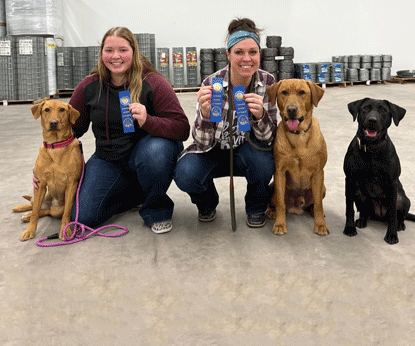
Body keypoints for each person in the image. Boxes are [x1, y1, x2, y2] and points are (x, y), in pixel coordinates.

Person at [67, 27, 190, 234]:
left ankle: (156, 208)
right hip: (108, 158)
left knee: (156, 152)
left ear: (133, 52)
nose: (115, 56)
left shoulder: (152, 82)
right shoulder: (89, 86)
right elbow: (71, 130)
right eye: (109, 50)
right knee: (82, 217)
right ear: (101, 54)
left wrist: (148, 120)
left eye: (122, 50)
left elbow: (182, 128)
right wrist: (46, 160)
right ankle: (136, 194)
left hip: (146, 155)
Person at [174, 18, 277, 228]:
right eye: (239, 52)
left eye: (253, 52)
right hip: (214, 149)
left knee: (265, 163)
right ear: (227, 54)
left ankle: (256, 206)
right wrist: (204, 115)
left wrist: (260, 116)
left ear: (260, 54)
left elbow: (269, 138)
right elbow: (201, 143)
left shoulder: (267, 83)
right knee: (185, 173)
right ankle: (207, 202)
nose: (246, 59)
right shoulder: (212, 84)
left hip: (248, 150)